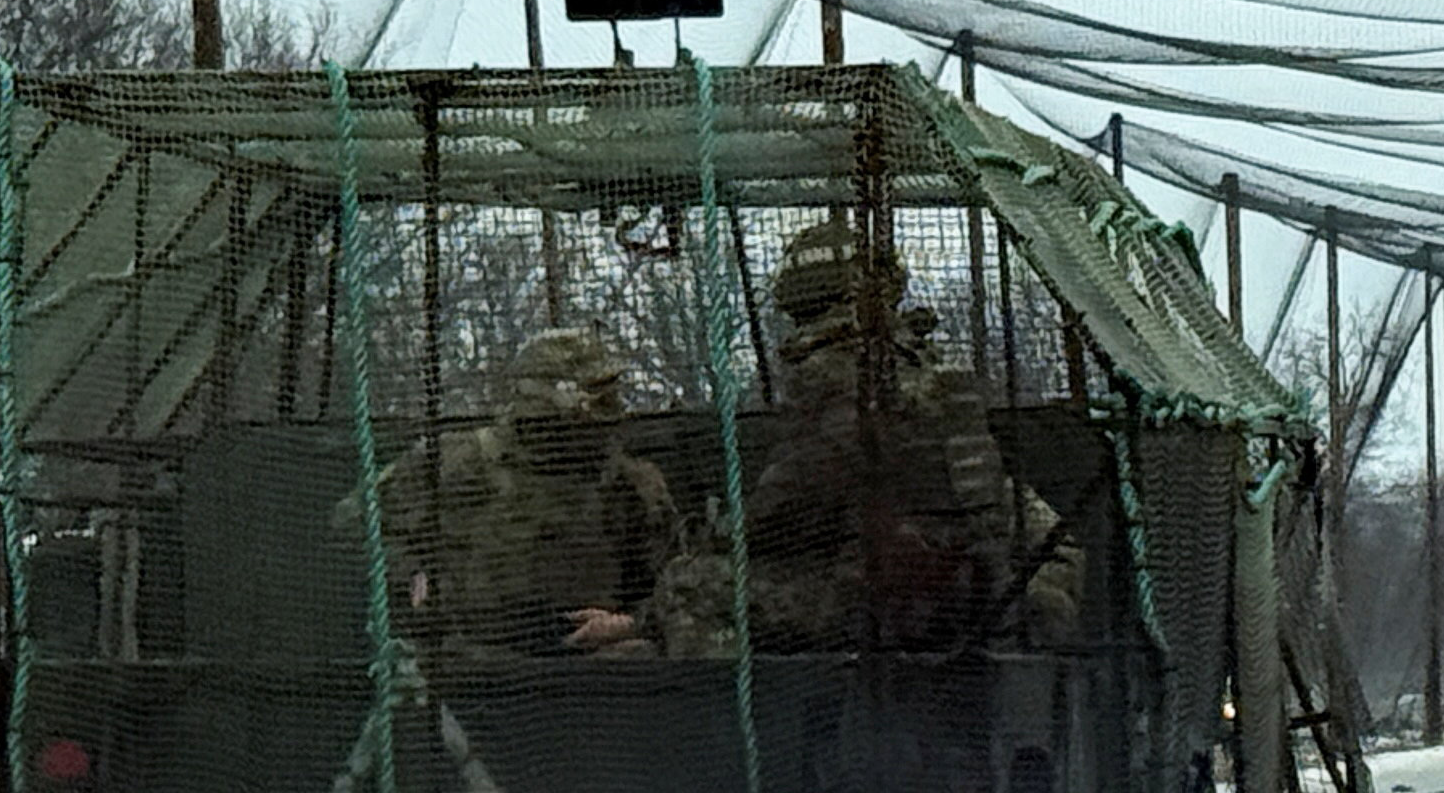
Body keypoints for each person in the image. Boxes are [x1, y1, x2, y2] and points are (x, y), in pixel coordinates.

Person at [738, 220, 1079, 651]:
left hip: (885, 596)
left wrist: (726, 536)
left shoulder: (830, 370)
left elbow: (792, 504)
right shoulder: (929, 364)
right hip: (979, 583)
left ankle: (717, 719)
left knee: (693, 585)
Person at [397, 327, 681, 663]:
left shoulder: (630, 483)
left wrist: (631, 623)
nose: (611, 406)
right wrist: (409, 576)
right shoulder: (457, 463)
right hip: (465, 660)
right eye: (596, 393)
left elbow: (673, 584)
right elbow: (359, 529)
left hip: (592, 665)